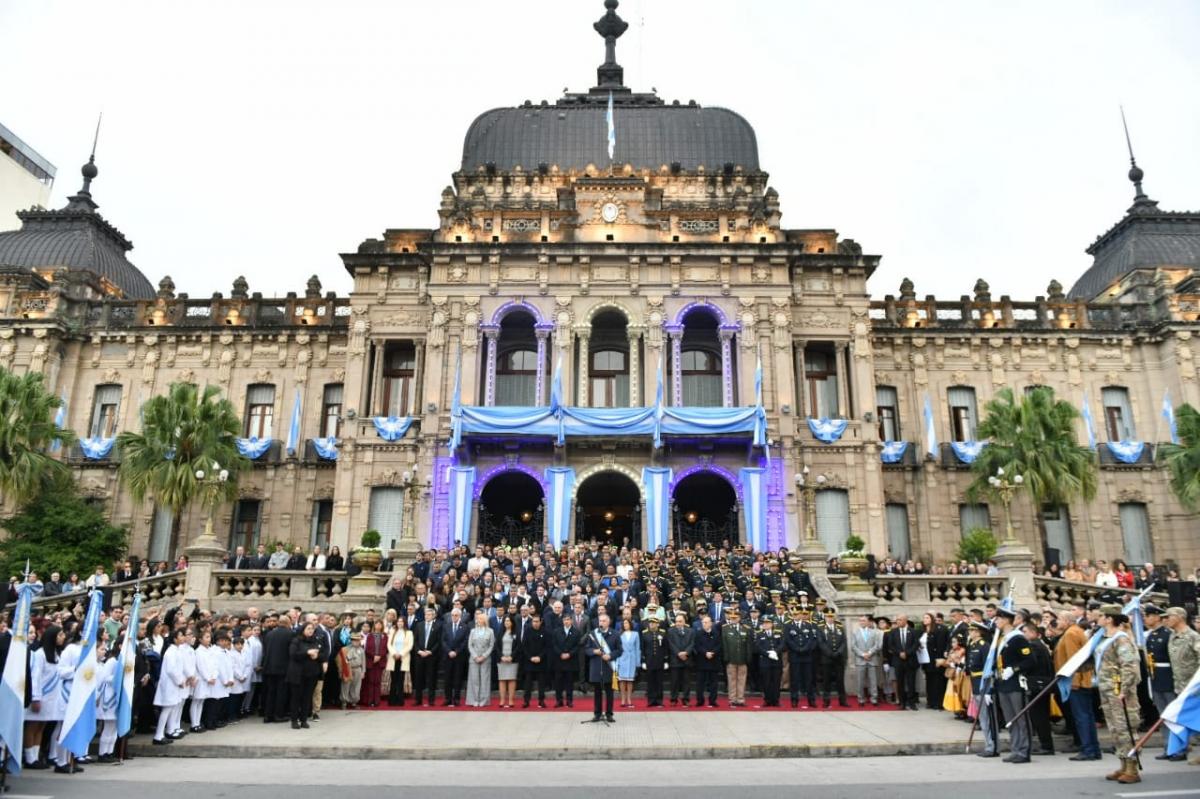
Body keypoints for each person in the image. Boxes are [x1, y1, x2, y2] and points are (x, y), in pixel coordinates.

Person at [1095, 604, 1141, 784]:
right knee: (1114, 728)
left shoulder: (1121, 639)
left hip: (1119, 690)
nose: (1097, 618)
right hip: (1107, 689)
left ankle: (1132, 767)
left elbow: (1129, 666)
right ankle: (1123, 762)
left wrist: (1123, 690)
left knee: (1126, 728)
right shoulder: (1104, 637)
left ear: (1109, 619)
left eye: (1100, 615)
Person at [1144, 604, 1181, 761]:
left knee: (1173, 715)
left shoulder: (1168, 635)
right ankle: (1168, 746)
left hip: (1167, 677)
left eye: (1148, 615)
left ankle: (1179, 748)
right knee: (1163, 715)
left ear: (1157, 617)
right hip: (1156, 677)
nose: (1145, 619)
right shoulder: (1152, 635)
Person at [1163, 606, 1200, 764]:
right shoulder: (1172, 636)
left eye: (1169, 616)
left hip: (1194, 687)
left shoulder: (1193, 636)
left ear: (1179, 617)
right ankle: (1181, 750)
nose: (1166, 619)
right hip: (1180, 685)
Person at [1022, 622, 1055, 755]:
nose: (1023, 634)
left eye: (1025, 632)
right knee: (1040, 715)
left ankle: (1046, 746)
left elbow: (1030, 664)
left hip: (1037, 684)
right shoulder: (1039, 645)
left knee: (1039, 716)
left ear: (1033, 633)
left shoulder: (1034, 646)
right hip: (1041, 683)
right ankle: (1046, 744)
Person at [584, 612, 622, 722]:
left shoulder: (615, 634)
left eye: (604, 621)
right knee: (597, 692)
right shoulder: (593, 634)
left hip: (609, 667)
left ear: (609, 622)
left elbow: (619, 650)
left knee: (609, 693)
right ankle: (597, 713)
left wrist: (610, 655)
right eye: (600, 621)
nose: (601, 623)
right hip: (596, 667)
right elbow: (586, 649)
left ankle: (609, 714)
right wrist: (594, 651)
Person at [287, 621, 323, 729]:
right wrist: (307, 653)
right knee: (296, 698)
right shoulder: (296, 640)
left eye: (312, 629)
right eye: (308, 628)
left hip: (311, 674)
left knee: (307, 698)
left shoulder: (315, 640)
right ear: (303, 630)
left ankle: (304, 720)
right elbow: (293, 655)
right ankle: (294, 720)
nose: (311, 630)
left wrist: (317, 656)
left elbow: (323, 654)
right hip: (298, 674)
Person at [785, 607, 819, 709]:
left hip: (807, 656)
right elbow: (788, 640)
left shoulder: (808, 625)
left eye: (797, 614)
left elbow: (812, 639)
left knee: (809, 679)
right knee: (795, 679)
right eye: (794, 614)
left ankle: (811, 699)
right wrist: (797, 648)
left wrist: (804, 648)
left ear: (801, 615)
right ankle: (794, 699)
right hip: (795, 655)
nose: (795, 616)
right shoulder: (788, 626)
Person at [887, 613, 920, 710]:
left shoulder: (913, 632)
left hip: (910, 660)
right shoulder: (893, 632)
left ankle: (912, 703)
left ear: (905, 620)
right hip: (898, 661)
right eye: (897, 620)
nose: (898, 622)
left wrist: (907, 653)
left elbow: (916, 644)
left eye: (900, 620)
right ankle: (902, 703)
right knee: (900, 682)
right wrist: (900, 653)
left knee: (911, 682)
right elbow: (891, 645)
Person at [721, 608, 752, 707]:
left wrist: (748, 657)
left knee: (742, 680)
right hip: (731, 658)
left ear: (739, 618)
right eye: (732, 617)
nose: (733, 619)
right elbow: (724, 644)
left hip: (742, 658)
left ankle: (740, 699)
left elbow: (748, 645)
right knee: (732, 680)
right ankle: (732, 699)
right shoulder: (725, 628)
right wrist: (726, 657)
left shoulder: (746, 628)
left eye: (736, 617)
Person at [550, 611, 582, 708]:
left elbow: (577, 646)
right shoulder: (556, 631)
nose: (566, 622)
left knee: (569, 682)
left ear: (571, 621)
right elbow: (554, 644)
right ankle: (559, 700)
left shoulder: (576, 632)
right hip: (559, 660)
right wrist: (561, 653)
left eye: (568, 620)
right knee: (558, 682)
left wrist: (569, 654)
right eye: (564, 620)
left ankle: (569, 701)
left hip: (570, 661)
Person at [411, 607, 441, 707]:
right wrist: (419, 651)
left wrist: (430, 651)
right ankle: (418, 700)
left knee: (431, 678)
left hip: (431, 656)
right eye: (425, 615)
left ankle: (431, 700)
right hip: (419, 655)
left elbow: (438, 641)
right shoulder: (419, 625)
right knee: (419, 678)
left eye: (429, 615)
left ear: (433, 616)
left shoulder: (437, 626)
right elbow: (415, 640)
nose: (427, 616)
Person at [817, 613, 848, 707]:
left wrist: (838, 652)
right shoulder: (821, 628)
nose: (830, 618)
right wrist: (830, 653)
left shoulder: (839, 627)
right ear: (825, 618)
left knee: (840, 680)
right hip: (827, 658)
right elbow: (820, 642)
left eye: (831, 617)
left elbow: (843, 641)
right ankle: (826, 701)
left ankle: (842, 700)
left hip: (838, 658)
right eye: (828, 617)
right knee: (827, 680)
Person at [850, 614, 881, 706]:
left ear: (868, 622)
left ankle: (874, 699)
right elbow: (853, 646)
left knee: (873, 681)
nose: (862, 622)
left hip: (872, 659)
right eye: (860, 621)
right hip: (860, 660)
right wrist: (863, 654)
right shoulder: (855, 632)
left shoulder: (874, 632)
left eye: (863, 620)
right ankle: (861, 699)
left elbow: (877, 645)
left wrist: (870, 653)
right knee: (860, 681)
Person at [465, 610, 494, 707]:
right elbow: (470, 645)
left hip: (485, 659)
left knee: (484, 680)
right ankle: (474, 700)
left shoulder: (490, 631)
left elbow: (491, 645)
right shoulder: (473, 631)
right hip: (474, 659)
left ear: (485, 620)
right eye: (477, 618)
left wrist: (484, 656)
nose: (478, 620)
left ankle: (483, 700)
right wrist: (475, 656)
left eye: (480, 619)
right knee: (474, 680)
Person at [441, 608, 469, 707]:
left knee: (458, 678)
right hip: (448, 656)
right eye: (452, 615)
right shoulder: (446, 626)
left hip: (459, 656)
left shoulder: (465, 627)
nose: (454, 617)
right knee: (447, 678)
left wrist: (456, 651)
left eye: (456, 615)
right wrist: (449, 651)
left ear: (460, 616)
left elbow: (465, 641)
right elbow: (443, 640)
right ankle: (448, 698)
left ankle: (456, 698)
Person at [755, 615, 784, 707]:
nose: (765, 624)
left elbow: (782, 644)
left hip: (776, 661)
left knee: (776, 681)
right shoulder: (759, 634)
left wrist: (775, 652)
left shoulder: (778, 633)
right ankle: (767, 700)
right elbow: (758, 647)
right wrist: (768, 654)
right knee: (766, 682)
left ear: (772, 624)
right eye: (764, 623)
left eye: (767, 623)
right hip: (765, 661)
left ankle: (776, 700)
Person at [667, 612, 695, 706]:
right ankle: (673, 699)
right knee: (674, 681)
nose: (678, 623)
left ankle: (686, 699)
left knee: (686, 681)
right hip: (675, 659)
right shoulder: (670, 631)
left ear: (684, 622)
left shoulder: (690, 631)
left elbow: (692, 643)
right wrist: (678, 653)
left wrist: (686, 652)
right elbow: (670, 644)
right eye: (676, 621)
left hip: (687, 660)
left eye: (680, 621)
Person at [693, 614, 722, 707]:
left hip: (713, 661)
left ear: (711, 623)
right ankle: (700, 700)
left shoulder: (716, 633)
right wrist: (705, 653)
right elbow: (697, 646)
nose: (704, 624)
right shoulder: (698, 633)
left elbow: (719, 645)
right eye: (703, 622)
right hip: (702, 661)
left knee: (714, 683)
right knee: (700, 683)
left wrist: (712, 653)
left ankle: (712, 700)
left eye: (706, 622)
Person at [520, 612, 548, 708]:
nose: (535, 623)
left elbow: (547, 647)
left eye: (537, 621)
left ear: (540, 622)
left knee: (541, 683)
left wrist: (540, 657)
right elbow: (524, 646)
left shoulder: (545, 631)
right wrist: (530, 657)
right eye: (533, 621)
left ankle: (541, 701)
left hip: (541, 661)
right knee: (528, 683)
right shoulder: (527, 631)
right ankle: (526, 701)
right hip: (529, 661)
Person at [641, 615, 669, 707]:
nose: (651, 624)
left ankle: (659, 700)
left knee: (659, 682)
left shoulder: (663, 633)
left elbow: (665, 648)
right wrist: (643, 661)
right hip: (649, 661)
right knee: (650, 682)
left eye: (653, 623)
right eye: (650, 623)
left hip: (660, 661)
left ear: (657, 624)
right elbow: (643, 648)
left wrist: (665, 660)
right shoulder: (645, 633)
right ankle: (651, 700)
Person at [386, 613, 413, 706]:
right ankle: (392, 700)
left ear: (404, 623)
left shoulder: (409, 633)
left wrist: (401, 654)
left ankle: (400, 700)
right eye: (398, 621)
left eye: (401, 621)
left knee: (400, 680)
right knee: (393, 680)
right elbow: (389, 644)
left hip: (403, 658)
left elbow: (410, 645)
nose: (400, 623)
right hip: (393, 657)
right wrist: (394, 653)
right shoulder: (393, 631)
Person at [614, 617, 640, 708]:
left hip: (632, 659)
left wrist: (638, 662)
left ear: (630, 624)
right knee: (622, 680)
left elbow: (637, 649)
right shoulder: (619, 634)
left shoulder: (636, 634)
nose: (625, 625)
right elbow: (617, 649)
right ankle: (623, 699)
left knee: (630, 681)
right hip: (622, 658)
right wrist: (617, 662)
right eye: (624, 624)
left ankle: (629, 699)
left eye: (627, 623)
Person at [496, 615, 520, 708]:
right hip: (502, 660)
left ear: (512, 623)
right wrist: (502, 657)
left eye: (509, 621)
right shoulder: (500, 633)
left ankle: (510, 700)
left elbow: (518, 646)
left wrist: (511, 657)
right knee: (502, 680)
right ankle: (502, 700)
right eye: (505, 621)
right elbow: (497, 646)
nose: (507, 622)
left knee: (511, 679)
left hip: (512, 660)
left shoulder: (516, 633)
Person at [337, 631, 365, 708]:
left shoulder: (361, 650)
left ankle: (354, 702)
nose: (357, 641)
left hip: (358, 669)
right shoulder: (345, 649)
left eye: (358, 640)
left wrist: (363, 671)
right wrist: (340, 671)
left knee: (356, 686)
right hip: (348, 669)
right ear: (351, 640)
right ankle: (344, 702)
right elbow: (340, 661)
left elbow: (363, 662)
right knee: (345, 686)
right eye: (355, 640)